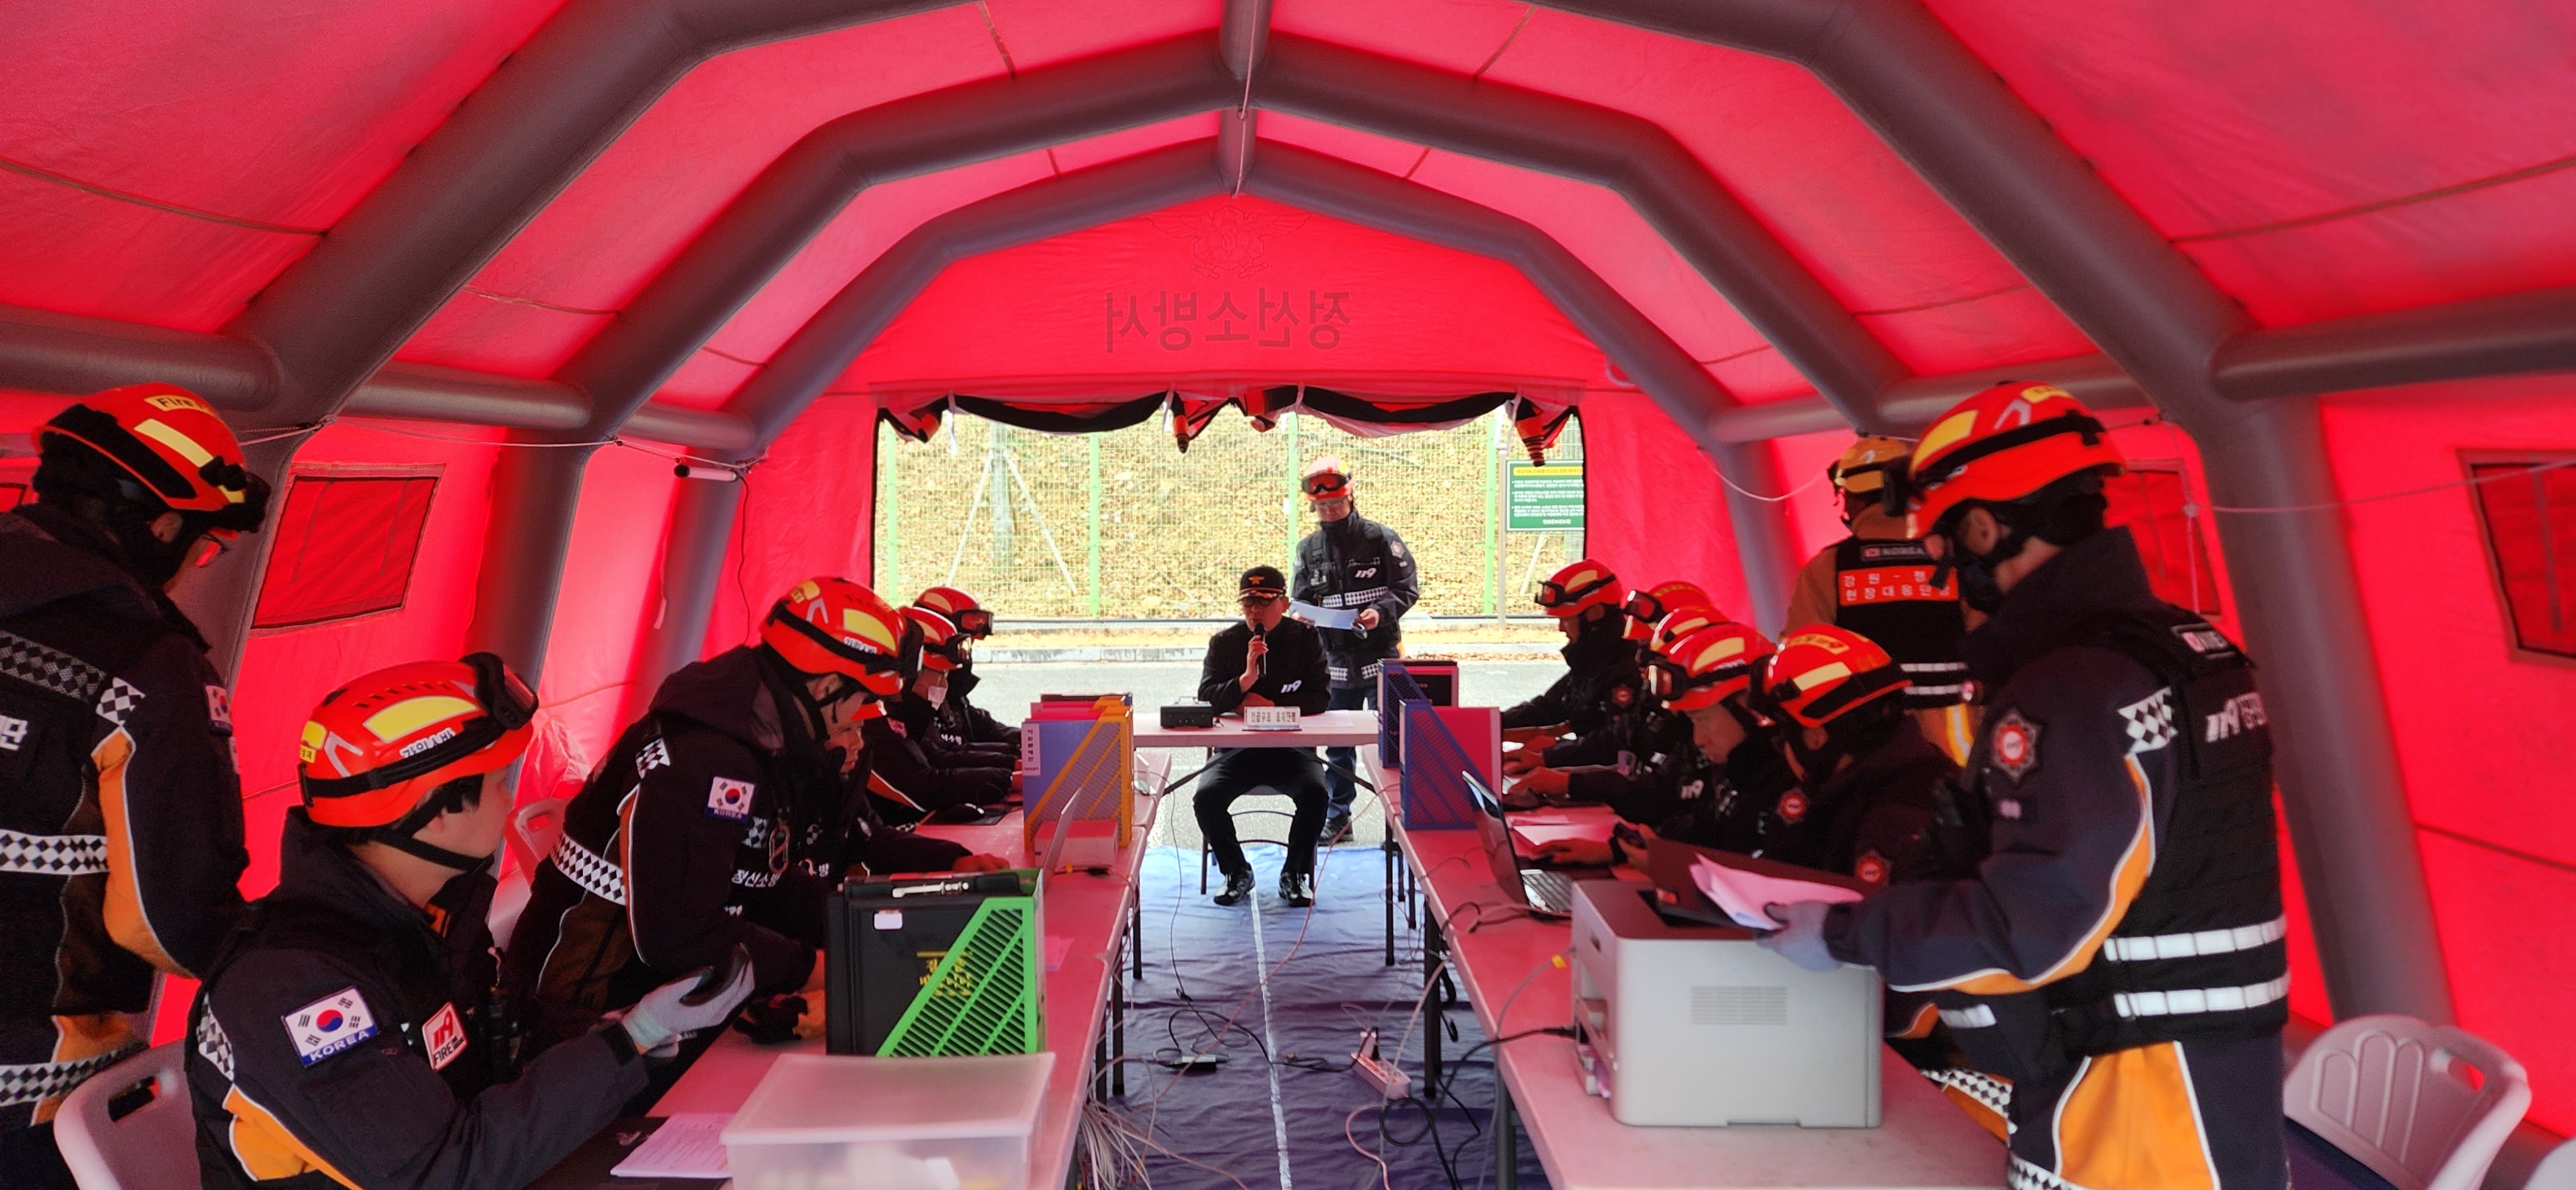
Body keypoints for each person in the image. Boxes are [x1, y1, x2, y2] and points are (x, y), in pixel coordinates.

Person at [1761, 382, 2286, 1190]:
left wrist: (1844, 934)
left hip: (2124, 1118)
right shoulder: (2190, 649)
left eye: (1944, 544)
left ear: (1983, 527)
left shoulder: (2069, 689)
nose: (1946, 570)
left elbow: (2029, 925)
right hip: (2220, 1090)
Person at [187, 656, 755, 1190]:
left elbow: (499, 1062)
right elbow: (444, 1172)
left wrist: (621, 1037)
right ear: (436, 811)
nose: (509, 801)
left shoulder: (427, 918)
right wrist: (631, 1040)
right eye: (498, 783)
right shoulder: (291, 988)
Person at [504, 578, 1010, 1065]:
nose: (862, 718)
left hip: (650, 995)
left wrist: (865, 930)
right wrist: (818, 965)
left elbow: (760, 882)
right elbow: (680, 933)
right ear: (827, 687)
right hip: (583, 1013)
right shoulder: (712, 758)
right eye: (860, 700)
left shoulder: (755, 733)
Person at [0, 383, 271, 1186]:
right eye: (205, 544)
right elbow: (169, 918)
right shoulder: (147, 667)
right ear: (160, 526)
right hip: (28, 1101)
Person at [1784, 436, 1980, 762]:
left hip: (1871, 750)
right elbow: (1994, 647)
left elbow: (1800, 663)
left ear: (1852, 501)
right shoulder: (1959, 558)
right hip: (1961, 748)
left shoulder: (1827, 569)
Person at [1531, 619, 1787, 867]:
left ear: (1750, 706)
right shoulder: (1744, 766)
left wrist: (1672, 867)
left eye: (1702, 720)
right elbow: (1705, 823)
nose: (1698, 739)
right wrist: (1618, 850)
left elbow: (1773, 883)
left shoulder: (1782, 784)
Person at [1748, 625, 1956, 887]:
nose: (1785, 752)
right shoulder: (1931, 773)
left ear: (1815, 737)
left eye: (1784, 739)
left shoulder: (1886, 826)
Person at [1289, 456, 1418, 843]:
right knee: (1337, 748)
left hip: (1381, 660)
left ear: (1350, 497)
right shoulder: (1308, 549)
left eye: (1336, 503)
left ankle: (1399, 824)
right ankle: (1338, 819)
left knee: (1394, 744)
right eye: (1322, 506)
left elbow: (1407, 588)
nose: (1329, 510)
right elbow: (1299, 599)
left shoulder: (1381, 539)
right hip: (1335, 664)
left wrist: (1380, 613)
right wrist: (1302, 616)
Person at [1193, 566, 1333, 907]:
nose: (1255, 610)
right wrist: (1244, 682)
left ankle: (1295, 874)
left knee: (1316, 794)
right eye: (1248, 603)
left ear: (1283, 604)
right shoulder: (1225, 643)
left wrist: (1271, 707)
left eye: (1264, 602)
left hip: (1292, 751)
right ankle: (1236, 871)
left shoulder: (1305, 639)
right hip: (1237, 752)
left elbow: (1320, 696)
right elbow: (1206, 697)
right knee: (1206, 798)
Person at [1499, 560, 1642, 793]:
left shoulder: (1626, 668)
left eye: (1566, 618)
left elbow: (1614, 746)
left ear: (1594, 614)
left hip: (1612, 792)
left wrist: (1549, 756)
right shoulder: (1593, 661)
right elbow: (1548, 708)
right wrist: (1486, 723)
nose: (1560, 628)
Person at [861, 607, 1014, 826]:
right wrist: (1010, 777)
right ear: (909, 675)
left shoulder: (905, 719)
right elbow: (926, 786)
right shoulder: (874, 725)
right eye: (941, 675)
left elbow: (939, 755)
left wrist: (1014, 763)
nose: (944, 687)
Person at [913, 586, 1018, 751]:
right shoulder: (917, 698)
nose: (965, 657)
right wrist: (1010, 760)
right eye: (961, 647)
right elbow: (941, 757)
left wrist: (1030, 739)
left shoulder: (952, 696)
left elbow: (981, 725)